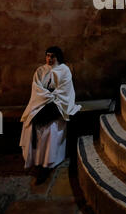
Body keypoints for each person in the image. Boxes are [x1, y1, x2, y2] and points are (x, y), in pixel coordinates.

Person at [19, 47, 81, 184]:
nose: (49, 59)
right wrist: (47, 97)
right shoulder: (40, 71)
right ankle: (35, 160)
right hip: (40, 104)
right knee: (30, 124)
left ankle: (48, 162)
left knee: (50, 129)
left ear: (58, 57)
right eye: (47, 56)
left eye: (52, 56)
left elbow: (65, 91)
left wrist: (51, 98)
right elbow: (37, 89)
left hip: (59, 105)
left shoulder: (64, 70)